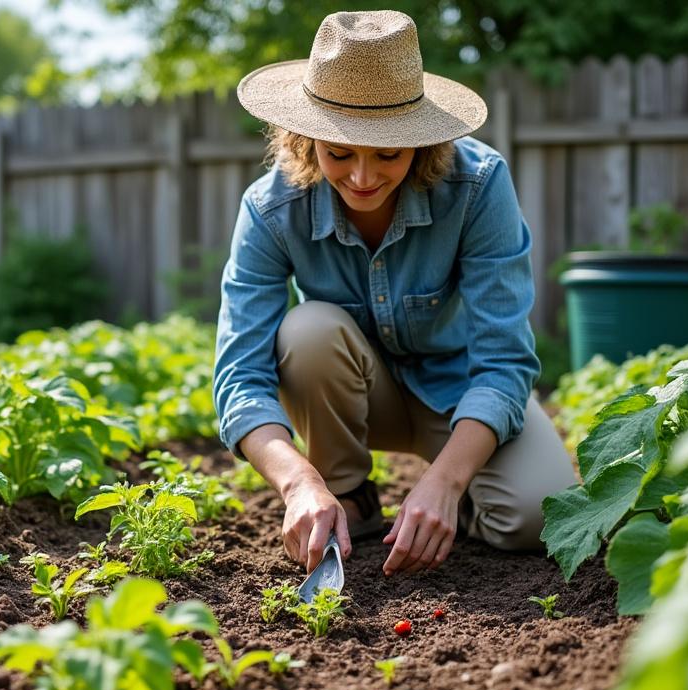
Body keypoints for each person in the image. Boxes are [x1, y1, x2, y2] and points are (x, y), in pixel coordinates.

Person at [213, 10, 577, 579]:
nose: (361, 176)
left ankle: (445, 505)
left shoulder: (478, 187)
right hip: (354, 394)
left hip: (459, 392)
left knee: (534, 517)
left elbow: (504, 360)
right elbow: (239, 374)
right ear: (307, 140)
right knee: (306, 330)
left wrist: (445, 483)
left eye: (387, 154)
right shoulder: (271, 209)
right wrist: (298, 481)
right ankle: (346, 496)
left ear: (421, 143)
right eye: (339, 153)